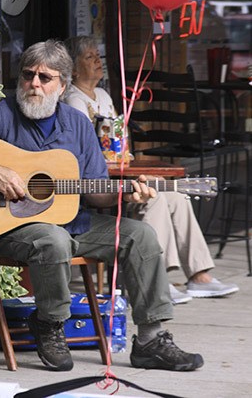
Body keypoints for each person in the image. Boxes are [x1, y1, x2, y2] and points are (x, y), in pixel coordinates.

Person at [0, 39, 204, 373]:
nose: (34, 84)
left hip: (74, 224)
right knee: (52, 240)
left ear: (63, 85)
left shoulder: (77, 124)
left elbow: (96, 193)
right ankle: (49, 325)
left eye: (45, 78)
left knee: (140, 235)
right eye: (28, 75)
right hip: (9, 229)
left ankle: (150, 339)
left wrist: (124, 195)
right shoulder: (0, 114)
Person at [63, 35, 239, 305]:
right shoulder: (73, 101)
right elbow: (90, 152)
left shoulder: (102, 95)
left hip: (120, 169)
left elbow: (117, 141)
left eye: (98, 55)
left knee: (176, 195)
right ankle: (157, 280)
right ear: (74, 68)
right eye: (89, 57)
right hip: (97, 179)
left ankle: (199, 275)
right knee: (154, 199)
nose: (98, 61)